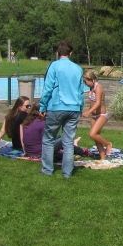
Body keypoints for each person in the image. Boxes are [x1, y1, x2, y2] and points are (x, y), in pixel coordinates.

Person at [39, 41, 84, 178]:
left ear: (58, 53)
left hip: (57, 107)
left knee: (48, 139)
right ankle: (67, 173)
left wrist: (42, 106)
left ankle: (47, 170)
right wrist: (80, 107)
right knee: (69, 142)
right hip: (74, 108)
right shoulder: (78, 69)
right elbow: (80, 91)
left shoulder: (54, 66)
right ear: (70, 53)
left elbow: (48, 88)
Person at [21, 102, 88, 159]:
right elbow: (48, 141)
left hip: (30, 152)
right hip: (41, 153)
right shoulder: (42, 124)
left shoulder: (28, 122)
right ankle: (82, 151)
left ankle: (74, 147)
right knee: (64, 139)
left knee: (59, 139)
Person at [84, 69, 111, 160]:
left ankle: (108, 144)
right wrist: (88, 110)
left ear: (92, 79)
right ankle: (103, 157)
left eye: (86, 81)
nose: (85, 83)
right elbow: (92, 102)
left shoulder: (98, 87)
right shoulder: (91, 88)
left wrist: (88, 111)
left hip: (102, 115)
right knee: (96, 138)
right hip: (94, 116)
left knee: (92, 134)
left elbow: (98, 103)